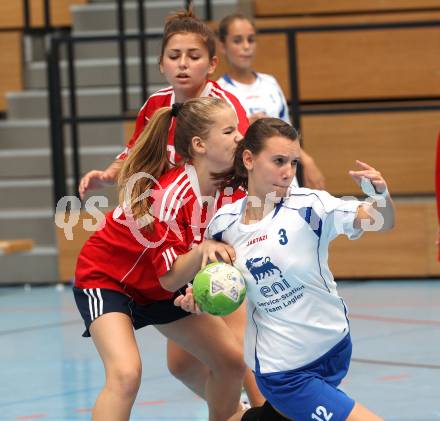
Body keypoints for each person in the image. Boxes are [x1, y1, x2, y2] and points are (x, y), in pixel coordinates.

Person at [77, 8, 265, 408]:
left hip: (191, 245)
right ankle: (248, 408)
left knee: (232, 359)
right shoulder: (166, 180)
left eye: (193, 56)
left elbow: (246, 175)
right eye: (174, 55)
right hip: (152, 254)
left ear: (212, 64)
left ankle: (255, 410)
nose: (183, 64)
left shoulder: (224, 115)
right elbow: (135, 153)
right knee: (135, 373)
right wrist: (112, 174)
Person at [183, 117, 395, 421]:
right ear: (249, 159)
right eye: (279, 160)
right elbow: (213, 279)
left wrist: (379, 195)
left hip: (333, 350)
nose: (288, 172)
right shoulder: (225, 224)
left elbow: (383, 221)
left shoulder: (312, 206)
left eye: (293, 163)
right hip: (284, 370)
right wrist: (196, 296)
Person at [73, 98, 248, 421]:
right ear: (200, 145)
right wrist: (199, 256)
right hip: (108, 279)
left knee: (231, 363)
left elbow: (210, 252)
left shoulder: (229, 190)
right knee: (126, 375)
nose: (239, 136)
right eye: (229, 131)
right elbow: (172, 275)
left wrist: (200, 288)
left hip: (159, 284)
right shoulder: (169, 195)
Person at [216, 13, 325, 189]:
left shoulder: (270, 83)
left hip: (286, 179)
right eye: (237, 40)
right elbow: (221, 149)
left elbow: (289, 134)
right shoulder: (219, 91)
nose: (246, 47)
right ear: (222, 45)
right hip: (247, 183)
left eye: (250, 40)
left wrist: (308, 161)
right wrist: (247, 127)